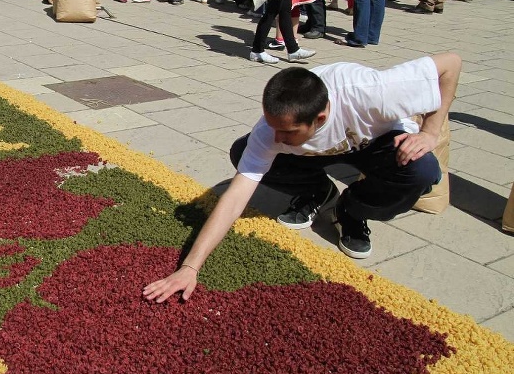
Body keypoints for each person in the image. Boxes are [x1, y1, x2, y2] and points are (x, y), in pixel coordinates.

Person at [143, 52, 462, 302]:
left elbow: (450, 63)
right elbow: (235, 198)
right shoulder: (270, 131)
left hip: (378, 143)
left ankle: (352, 208)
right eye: (273, 127)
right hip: (328, 150)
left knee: (424, 171)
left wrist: (430, 132)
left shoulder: (374, 92)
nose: (276, 137)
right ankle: (318, 191)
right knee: (244, 154)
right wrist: (189, 267)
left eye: (288, 131)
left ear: (320, 117)